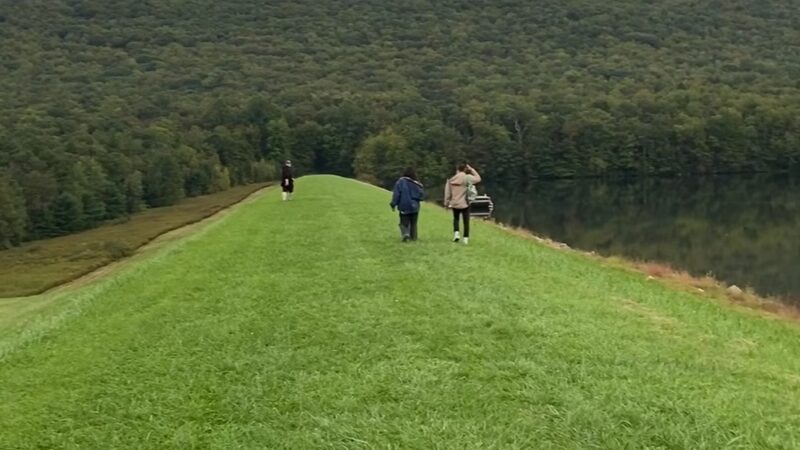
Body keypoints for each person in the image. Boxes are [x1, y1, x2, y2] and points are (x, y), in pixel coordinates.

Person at [444, 163, 481, 244]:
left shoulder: (451, 179)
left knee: (456, 219)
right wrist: (471, 169)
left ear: (457, 169)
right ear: (465, 169)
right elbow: (478, 179)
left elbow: (447, 193)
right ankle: (465, 239)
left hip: (454, 203)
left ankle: (456, 234)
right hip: (465, 203)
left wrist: (446, 203)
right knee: (466, 221)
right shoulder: (467, 178)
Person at [390, 167, 425, 242]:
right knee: (414, 223)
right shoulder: (417, 183)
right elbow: (421, 195)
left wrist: (393, 204)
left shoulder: (400, 182)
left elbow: (396, 194)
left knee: (403, 222)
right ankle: (414, 237)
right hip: (415, 206)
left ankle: (405, 234)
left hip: (404, 205)